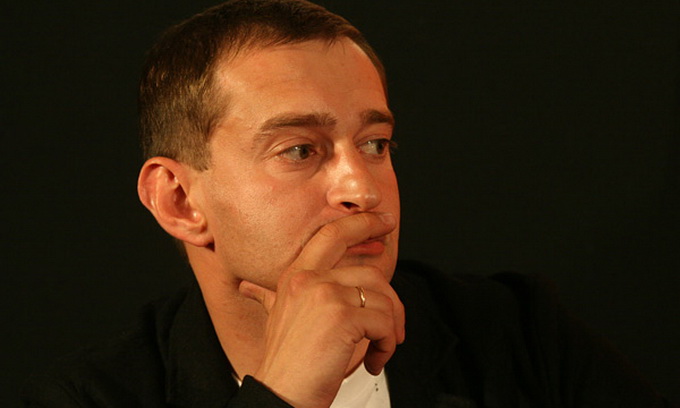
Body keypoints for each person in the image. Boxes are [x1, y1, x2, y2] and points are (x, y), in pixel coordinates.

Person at [22, 0, 675, 407]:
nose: (362, 189)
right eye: (299, 150)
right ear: (180, 202)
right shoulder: (87, 398)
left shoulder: (518, 337)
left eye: (375, 143)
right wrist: (282, 398)